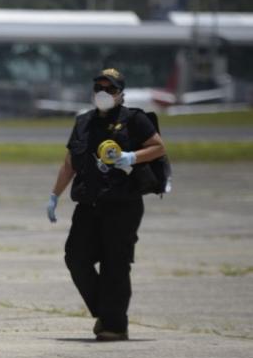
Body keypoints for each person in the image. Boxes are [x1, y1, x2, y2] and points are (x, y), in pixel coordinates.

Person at [47, 68, 167, 341]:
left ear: (121, 94)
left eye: (110, 89)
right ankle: (107, 312)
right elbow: (69, 163)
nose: (103, 93)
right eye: (99, 88)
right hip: (89, 204)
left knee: (115, 264)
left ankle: (114, 326)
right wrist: (54, 196)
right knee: (75, 257)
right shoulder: (83, 122)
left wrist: (131, 157)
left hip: (123, 204)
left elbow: (158, 147)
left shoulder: (134, 119)